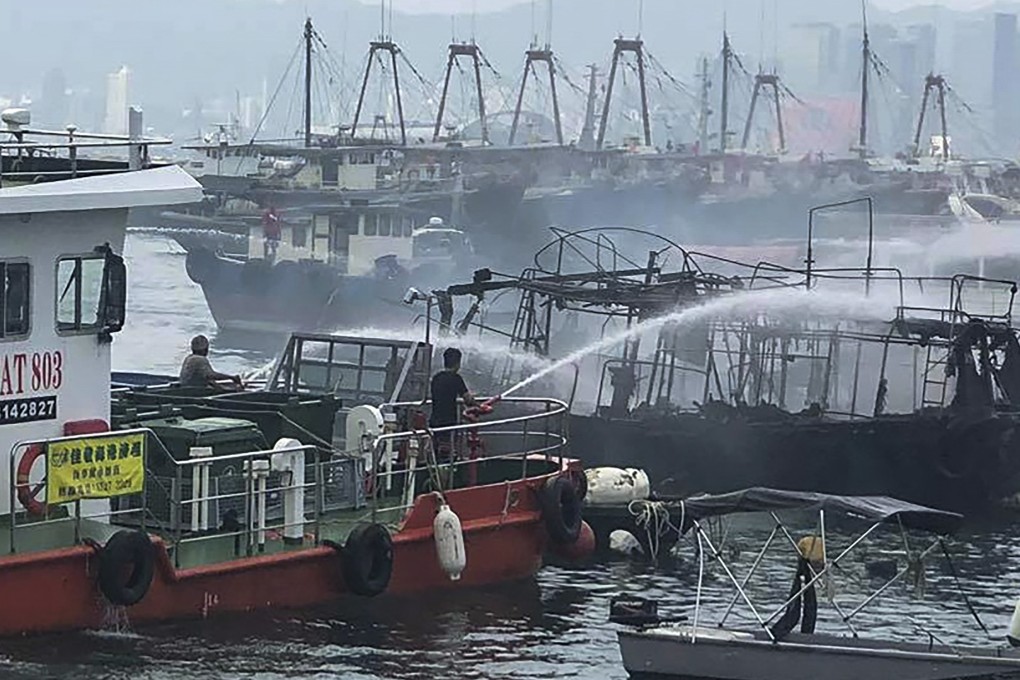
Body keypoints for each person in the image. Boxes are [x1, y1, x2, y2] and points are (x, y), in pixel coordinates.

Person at [429, 348, 476, 460]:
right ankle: (446, 472)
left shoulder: (436, 377)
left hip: (435, 420)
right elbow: (468, 400)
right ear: (458, 363)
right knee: (447, 452)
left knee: (437, 449)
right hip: (448, 422)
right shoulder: (456, 379)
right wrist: (478, 404)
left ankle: (437, 468)